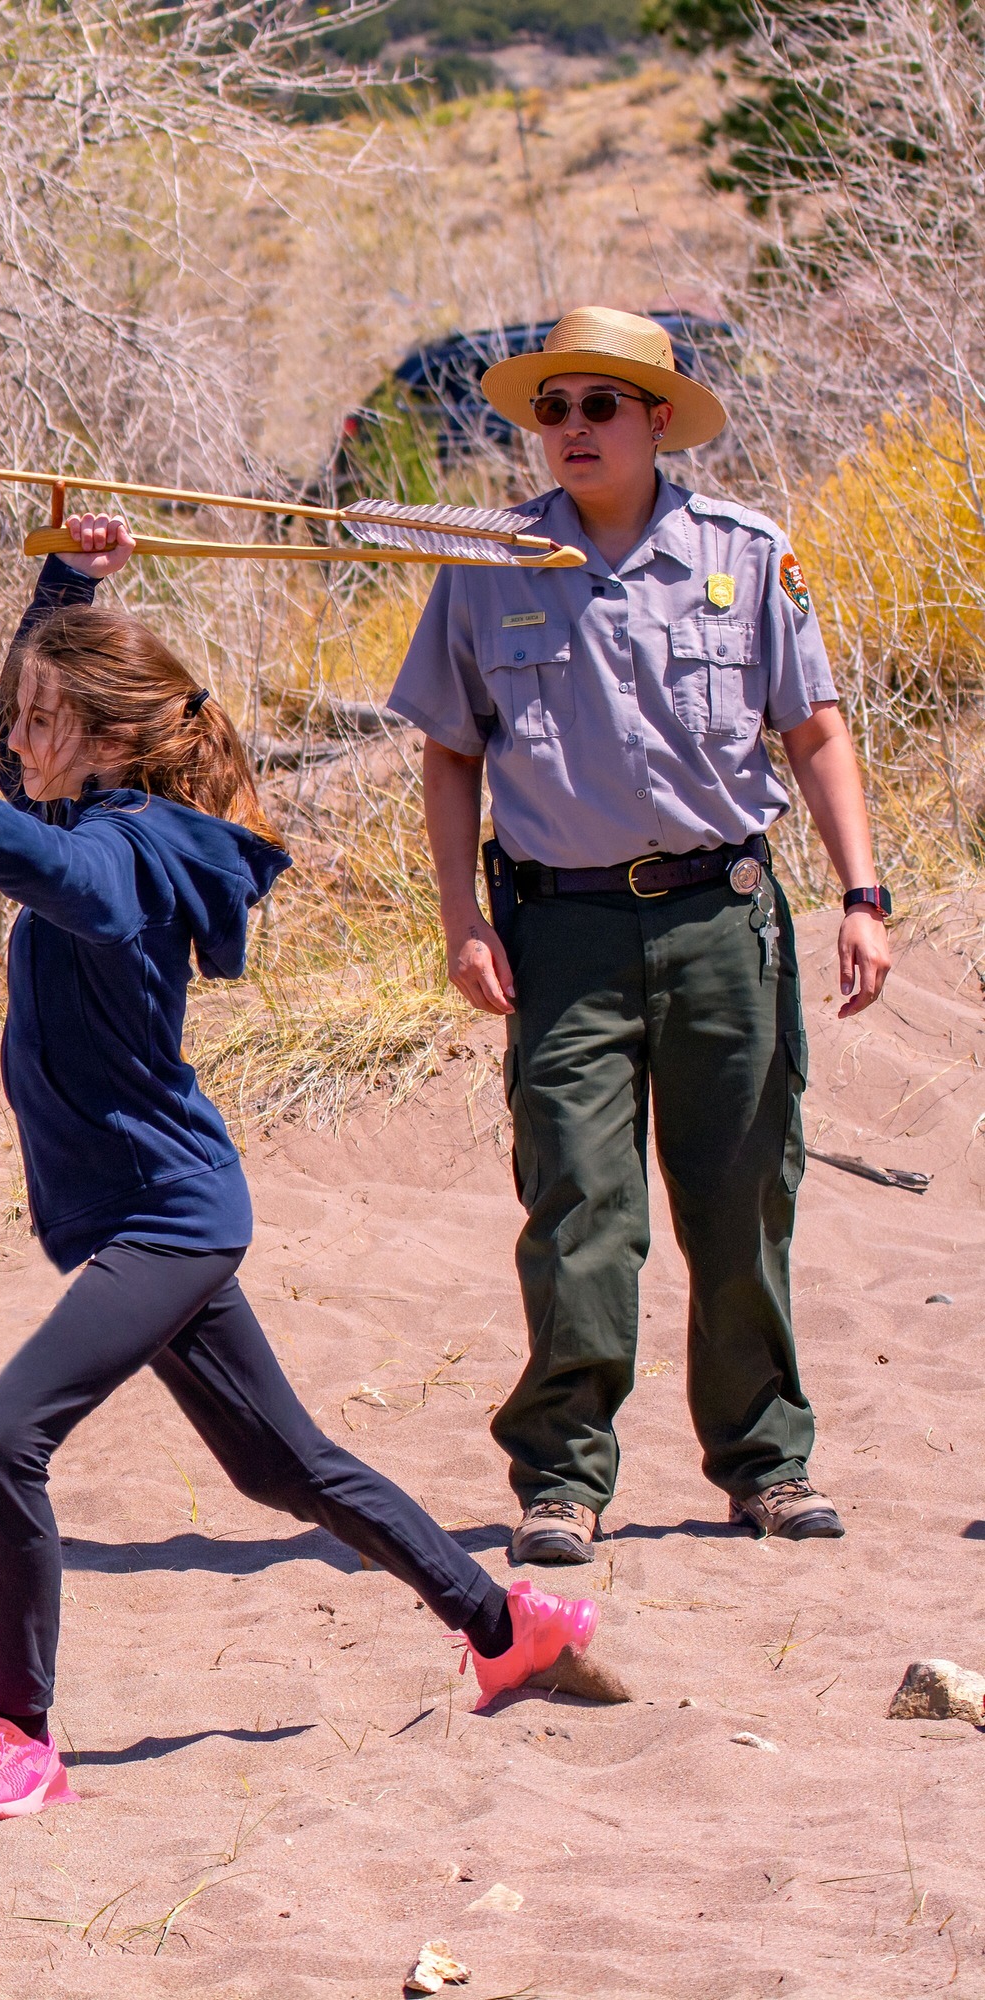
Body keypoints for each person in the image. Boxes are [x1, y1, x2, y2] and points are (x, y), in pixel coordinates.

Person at [0, 515, 602, 1829]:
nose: (17, 740)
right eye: (22, 719)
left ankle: (23, 1737)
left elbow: (16, 847)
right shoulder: (96, 807)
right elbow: (13, 758)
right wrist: (71, 585)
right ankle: (503, 1624)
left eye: (45, 722)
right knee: (284, 1468)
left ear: (109, 741)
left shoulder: (117, 858)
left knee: (5, 1437)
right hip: (150, 1213)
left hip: (166, 1220)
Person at [385, 308, 890, 1568]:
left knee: (741, 1199)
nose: (569, 431)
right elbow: (449, 753)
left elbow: (814, 731)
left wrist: (862, 895)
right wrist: (460, 920)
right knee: (577, 1206)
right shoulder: (490, 562)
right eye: (550, 410)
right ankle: (562, 1477)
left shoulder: (746, 553)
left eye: (597, 406)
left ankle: (767, 1463)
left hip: (724, 920)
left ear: (658, 419)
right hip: (562, 932)